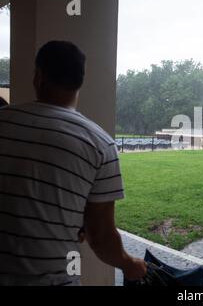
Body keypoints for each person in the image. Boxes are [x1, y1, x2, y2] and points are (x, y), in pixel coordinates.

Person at [0, 41, 147, 286]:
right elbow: (100, 237)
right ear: (80, 82)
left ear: (38, 76)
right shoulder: (101, 144)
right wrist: (128, 263)